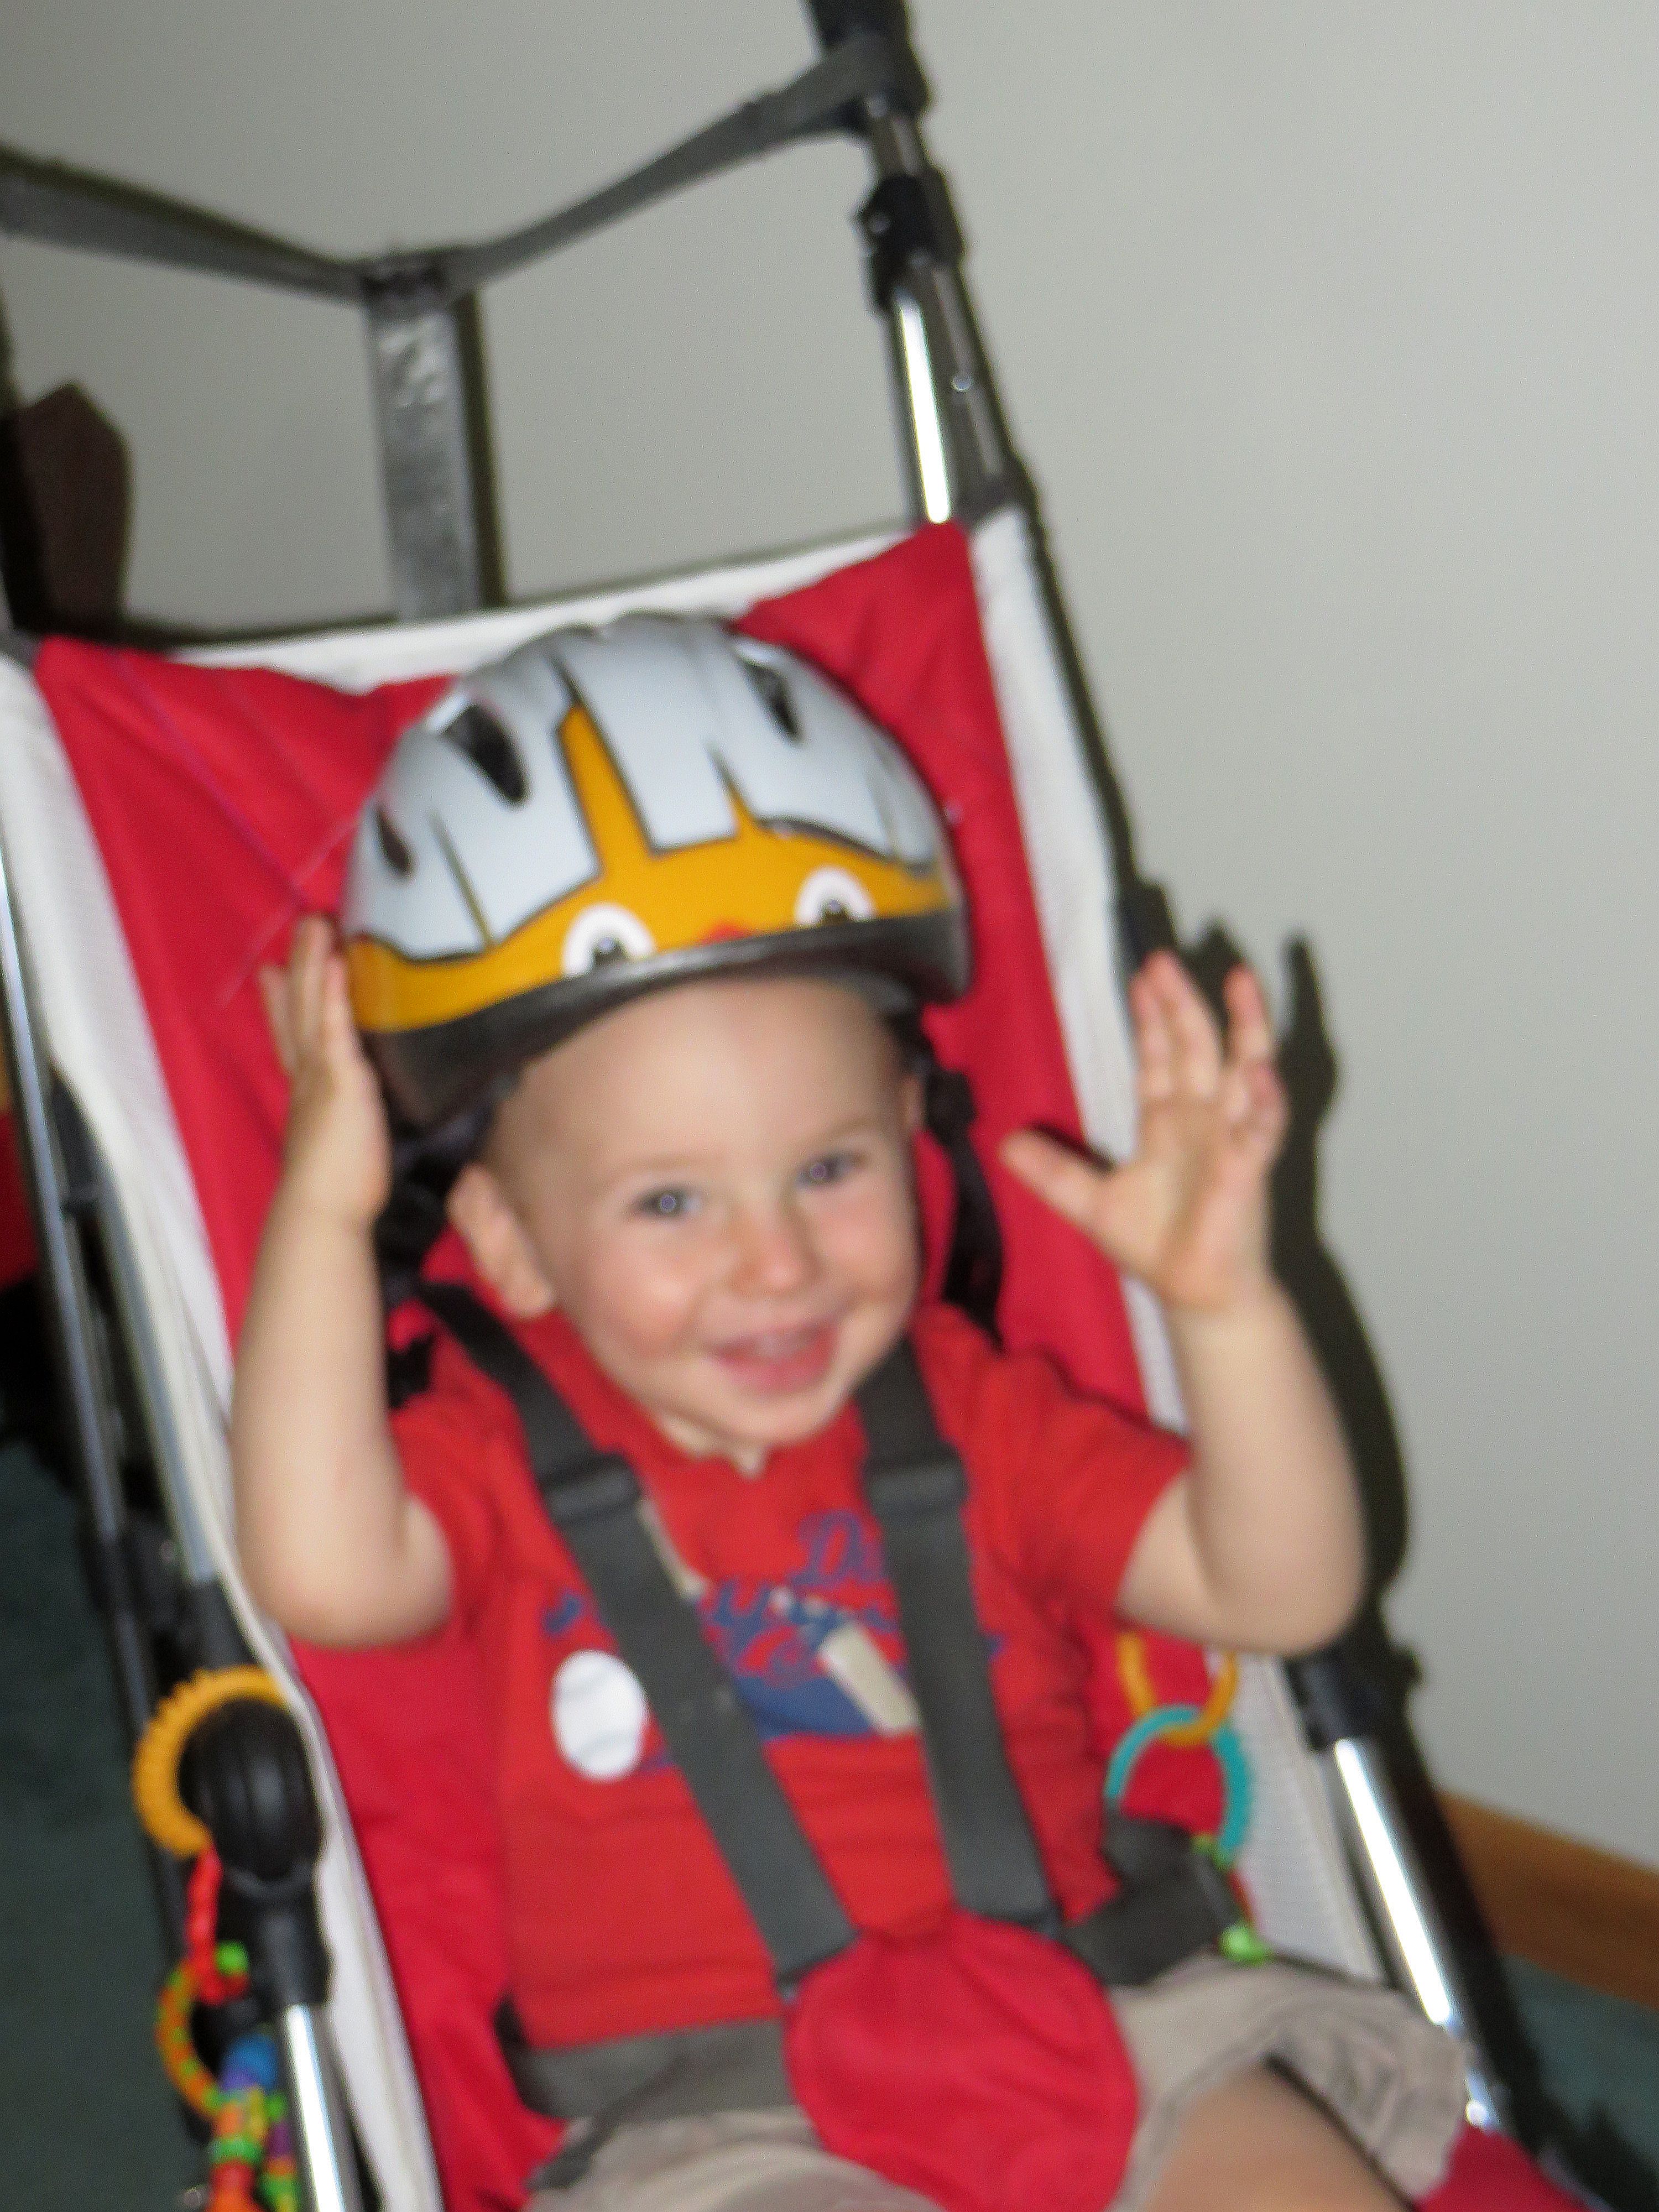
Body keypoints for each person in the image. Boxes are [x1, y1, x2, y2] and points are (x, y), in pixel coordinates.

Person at [232, 619, 1465, 2211]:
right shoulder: (495, 1449)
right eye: (671, 1202)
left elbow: (1280, 1589)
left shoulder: (979, 1414)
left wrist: (1228, 1311)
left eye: (828, 1169)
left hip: (1106, 2030)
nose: (778, 1263)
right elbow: (322, 1572)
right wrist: (322, 1216)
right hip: (727, 2126)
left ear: (908, 1134)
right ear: (511, 1246)